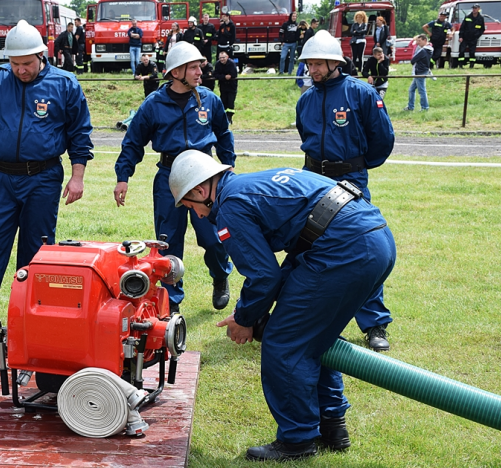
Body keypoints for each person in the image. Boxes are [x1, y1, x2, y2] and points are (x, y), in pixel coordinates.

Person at [168, 150, 395, 461]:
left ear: (200, 191)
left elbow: (263, 276)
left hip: (345, 250)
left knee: (284, 343)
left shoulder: (230, 206)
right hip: (375, 238)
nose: (196, 214)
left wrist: (245, 318)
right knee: (316, 338)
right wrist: (250, 311)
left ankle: (298, 439)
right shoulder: (247, 186)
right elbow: (298, 247)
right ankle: (332, 427)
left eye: (189, 205)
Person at [0, 20, 93, 334]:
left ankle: (32, 314)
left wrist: (77, 177)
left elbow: (80, 134)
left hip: (43, 178)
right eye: (15, 64)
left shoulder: (65, 84)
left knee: (38, 249)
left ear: (41, 55)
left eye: (27, 64)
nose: (21, 70)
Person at [113, 42, 234, 314]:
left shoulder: (210, 100)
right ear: (177, 71)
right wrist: (123, 176)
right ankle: (172, 303)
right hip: (169, 178)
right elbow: (133, 142)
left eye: (199, 67)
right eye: (193, 67)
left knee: (213, 238)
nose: (200, 72)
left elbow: (224, 136)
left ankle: (220, 275)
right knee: (168, 244)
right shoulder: (154, 104)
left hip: (205, 178)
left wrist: (230, 168)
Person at [295, 30, 395, 352]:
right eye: (308, 63)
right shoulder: (306, 99)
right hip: (312, 179)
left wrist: (357, 165)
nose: (312, 69)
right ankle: (313, 318)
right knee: (310, 247)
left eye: (317, 63)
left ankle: (375, 323)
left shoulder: (361, 93)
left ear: (334, 61)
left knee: (363, 247)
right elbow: (305, 135)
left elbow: (383, 137)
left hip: (351, 179)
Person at [405, 35, 431, 112]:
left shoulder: (424, 50)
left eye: (419, 41)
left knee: (422, 90)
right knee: (411, 89)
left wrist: (414, 61)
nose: (418, 43)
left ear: (425, 40)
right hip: (420, 71)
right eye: (417, 41)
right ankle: (410, 106)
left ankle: (425, 107)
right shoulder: (426, 49)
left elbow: (413, 60)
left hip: (420, 71)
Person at [214, 50, 238, 123]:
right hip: (223, 86)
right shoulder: (218, 64)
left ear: (227, 57)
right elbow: (215, 74)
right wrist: (224, 76)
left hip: (231, 86)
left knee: (230, 102)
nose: (222, 59)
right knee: (223, 101)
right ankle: (223, 117)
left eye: (223, 57)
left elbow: (234, 74)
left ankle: (230, 117)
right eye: (220, 58)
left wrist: (229, 76)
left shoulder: (232, 63)